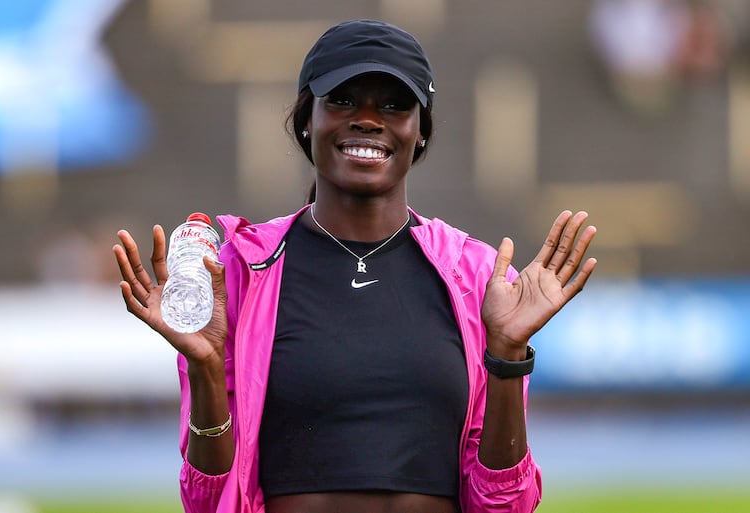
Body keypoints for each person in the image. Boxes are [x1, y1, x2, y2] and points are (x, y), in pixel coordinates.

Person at [113, 19, 597, 513]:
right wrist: (207, 368)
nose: (368, 119)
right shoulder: (239, 273)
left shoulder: (475, 277)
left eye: (394, 105)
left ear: (420, 132)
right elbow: (210, 500)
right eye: (343, 100)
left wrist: (508, 355)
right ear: (307, 119)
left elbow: (505, 505)